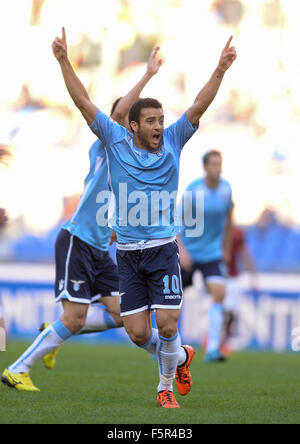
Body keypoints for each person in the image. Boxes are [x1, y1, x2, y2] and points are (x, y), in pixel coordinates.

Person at [44, 28, 235, 408]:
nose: (159, 126)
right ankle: (181, 356)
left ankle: (165, 387)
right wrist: (64, 60)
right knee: (135, 332)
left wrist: (220, 69)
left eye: (161, 119)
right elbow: (83, 103)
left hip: (163, 249)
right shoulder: (113, 141)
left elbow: (197, 106)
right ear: (133, 126)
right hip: (128, 255)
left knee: (167, 326)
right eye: (151, 121)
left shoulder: (175, 141)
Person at [1, 44, 163, 392]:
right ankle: (17, 369)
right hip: (78, 240)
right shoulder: (109, 142)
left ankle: (53, 331)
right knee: (73, 319)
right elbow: (119, 113)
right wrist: (148, 74)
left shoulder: (136, 163)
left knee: (122, 314)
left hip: (100, 248)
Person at [178, 150, 234, 363]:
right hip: (189, 253)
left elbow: (229, 218)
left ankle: (212, 348)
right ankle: (166, 344)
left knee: (219, 292)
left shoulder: (226, 189)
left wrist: (226, 249)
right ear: (205, 167)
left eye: (219, 164)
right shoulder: (194, 190)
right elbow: (175, 218)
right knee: (172, 297)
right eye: (213, 164)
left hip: (212, 253)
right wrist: (181, 249)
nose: (217, 168)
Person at [221, 223, 256, 354]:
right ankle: (217, 341)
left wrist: (253, 276)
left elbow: (245, 253)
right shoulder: (217, 228)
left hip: (233, 278)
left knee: (230, 312)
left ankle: (223, 341)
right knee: (221, 310)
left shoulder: (238, 232)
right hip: (218, 276)